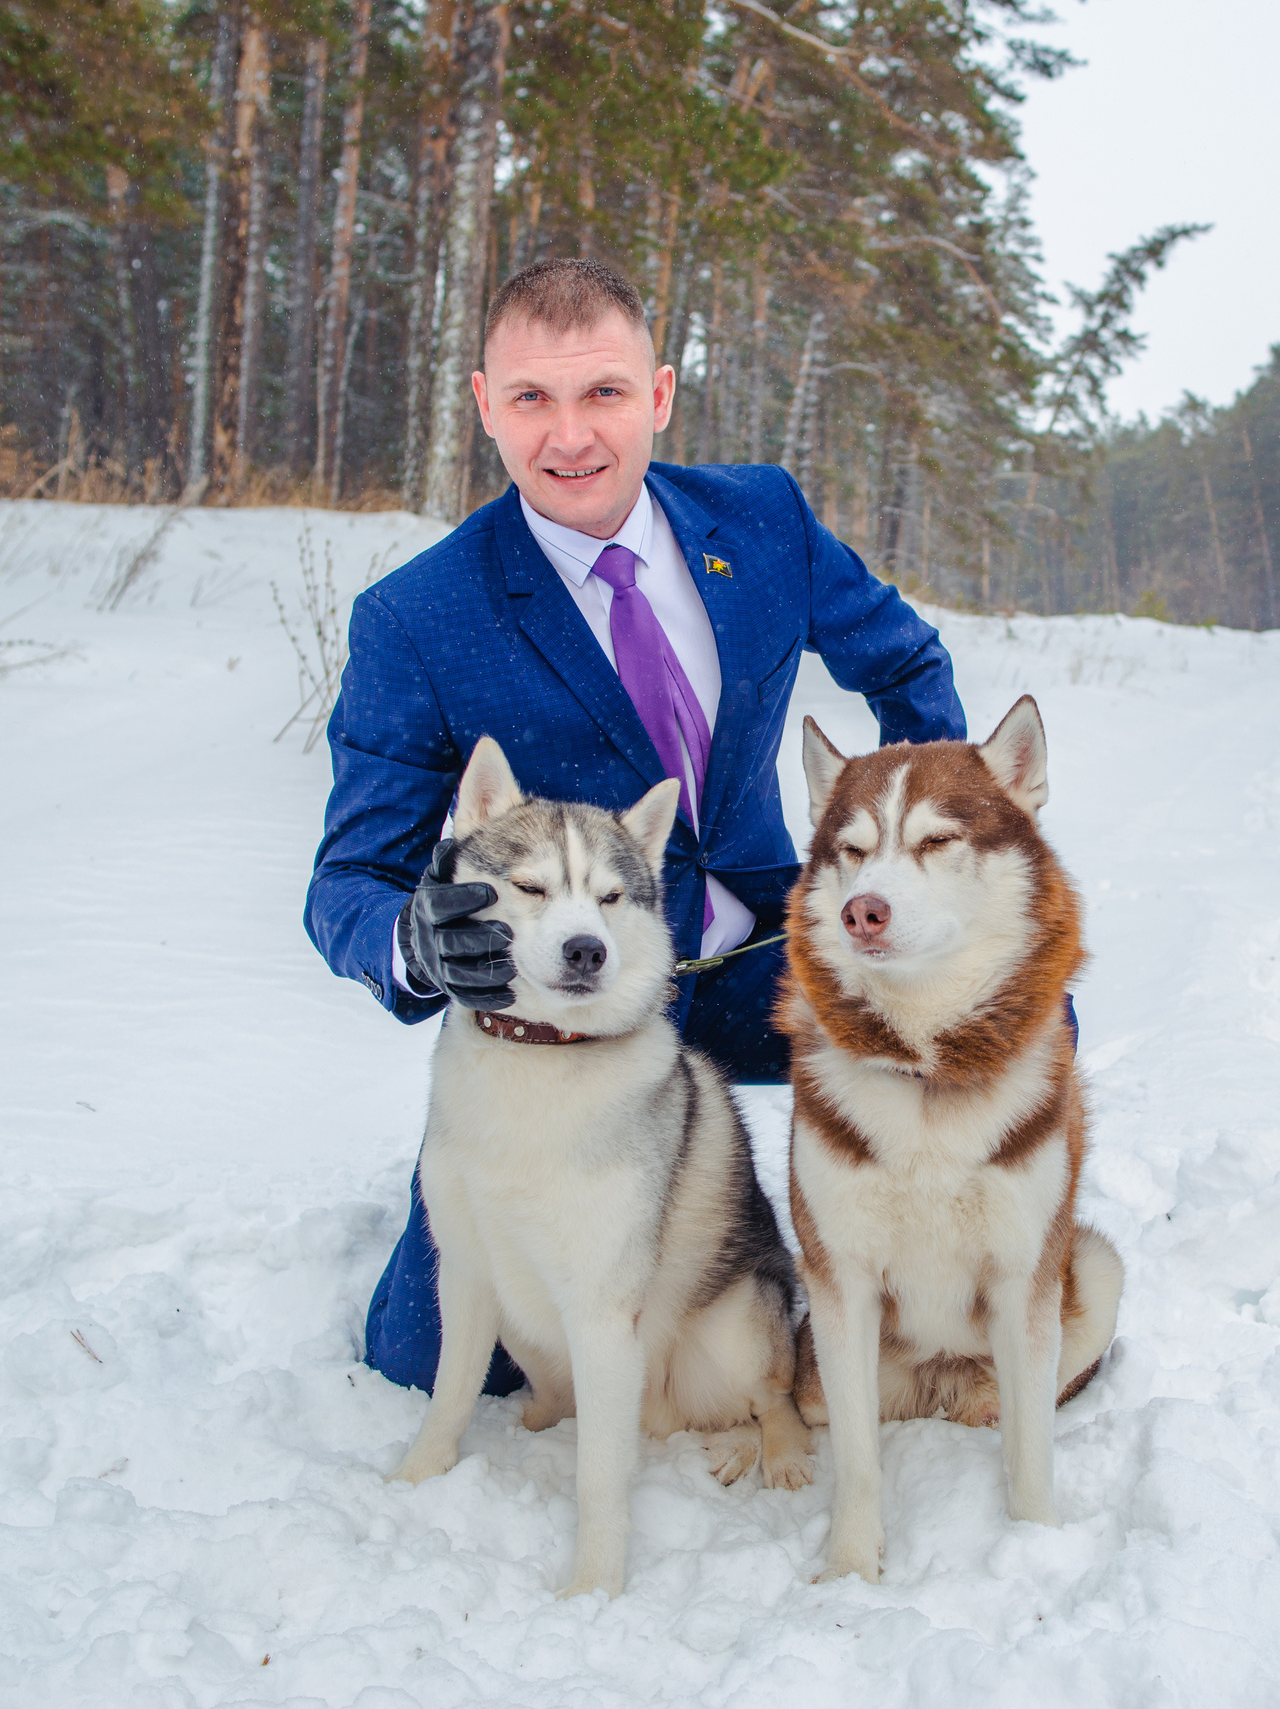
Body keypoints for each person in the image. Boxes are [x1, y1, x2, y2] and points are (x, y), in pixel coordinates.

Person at [305, 257, 967, 1395]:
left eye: (602, 392)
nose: (569, 434)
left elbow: (904, 663)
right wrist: (412, 942)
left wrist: (921, 854)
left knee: (1003, 1009)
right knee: (419, 1359)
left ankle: (934, 1280)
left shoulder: (762, 522)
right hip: (568, 1015)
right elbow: (348, 880)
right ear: (483, 407)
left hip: (765, 958)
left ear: (658, 394)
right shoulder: (419, 618)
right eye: (531, 399)